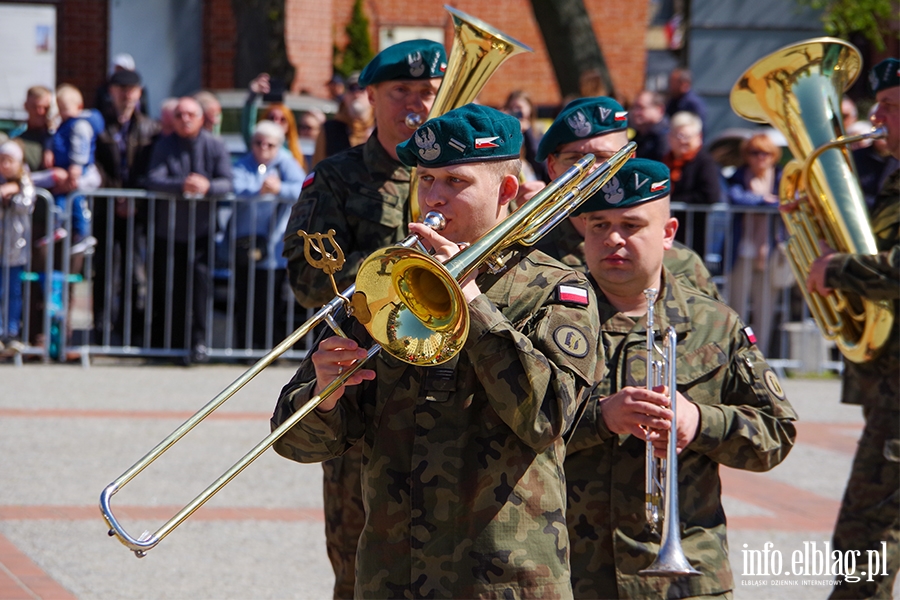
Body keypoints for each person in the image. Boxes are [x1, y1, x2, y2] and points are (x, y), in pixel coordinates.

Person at [272, 104, 601, 599]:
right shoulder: (388, 279)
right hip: (393, 578)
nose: (435, 198)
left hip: (503, 579)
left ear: (506, 191)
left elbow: (548, 417)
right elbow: (295, 443)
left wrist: (472, 302)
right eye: (426, 180)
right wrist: (323, 395)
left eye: (455, 181)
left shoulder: (556, 289)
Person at [564, 157, 797, 599]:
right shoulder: (549, 316)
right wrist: (600, 417)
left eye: (632, 225)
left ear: (668, 234)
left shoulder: (715, 323)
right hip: (572, 573)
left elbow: (777, 433)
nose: (613, 238)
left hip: (686, 578)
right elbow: (500, 429)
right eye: (599, 225)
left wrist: (700, 422)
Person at [281, 39, 447, 599]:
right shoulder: (335, 178)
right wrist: (392, 268)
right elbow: (306, 281)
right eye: (401, 91)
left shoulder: (459, 182)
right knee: (358, 562)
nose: (416, 105)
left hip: (447, 390)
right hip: (363, 389)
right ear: (371, 96)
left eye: (428, 93)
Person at [806, 58, 900, 599]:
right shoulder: (892, 179)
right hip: (885, 387)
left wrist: (840, 269)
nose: (875, 114)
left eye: (889, 104)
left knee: (863, 546)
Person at [533, 96, 721, 300]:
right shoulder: (528, 254)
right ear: (551, 167)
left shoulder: (682, 265)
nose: (589, 171)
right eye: (574, 160)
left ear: (628, 160)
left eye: (604, 158)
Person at [145, 96, 232, 364]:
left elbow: (227, 182)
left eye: (190, 115)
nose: (185, 120)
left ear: (201, 118)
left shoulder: (215, 145)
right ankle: (171, 346)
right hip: (169, 232)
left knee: (199, 290)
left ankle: (198, 343)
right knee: (171, 288)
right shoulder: (164, 145)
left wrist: (207, 187)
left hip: (202, 231)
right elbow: (153, 179)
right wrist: (182, 185)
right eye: (180, 115)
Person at [93, 68, 160, 346]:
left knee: (135, 271)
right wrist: (115, 194)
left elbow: (152, 166)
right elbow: (94, 162)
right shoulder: (99, 125)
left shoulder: (150, 127)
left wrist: (134, 197)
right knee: (106, 269)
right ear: (111, 93)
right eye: (120, 90)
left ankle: (131, 331)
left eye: (130, 90)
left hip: (138, 211)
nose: (126, 96)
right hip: (107, 207)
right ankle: (101, 330)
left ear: (139, 93)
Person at [229, 120, 305, 349]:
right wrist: (258, 190)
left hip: (274, 246)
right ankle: (244, 347)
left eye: (270, 145)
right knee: (245, 297)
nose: (263, 148)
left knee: (271, 300)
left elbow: (304, 187)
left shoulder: (286, 163)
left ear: (279, 146)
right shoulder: (243, 164)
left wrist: (280, 189)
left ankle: (268, 348)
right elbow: (234, 186)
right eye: (258, 143)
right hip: (246, 242)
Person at [726, 133, 783, 356]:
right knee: (736, 305)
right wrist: (763, 201)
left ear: (774, 156)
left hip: (770, 250)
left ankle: (762, 355)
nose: (760, 158)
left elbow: (789, 201)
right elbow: (735, 197)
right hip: (742, 249)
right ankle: (737, 354)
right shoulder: (739, 176)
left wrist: (771, 203)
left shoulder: (780, 177)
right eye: (754, 152)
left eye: (765, 153)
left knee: (765, 308)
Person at [50, 84, 104, 245]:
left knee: (77, 199)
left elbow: (80, 146)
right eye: (59, 108)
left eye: (64, 108)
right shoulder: (63, 124)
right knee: (61, 197)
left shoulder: (79, 125)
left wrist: (76, 166)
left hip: (78, 170)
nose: (61, 112)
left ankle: (83, 233)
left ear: (79, 107)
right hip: (65, 169)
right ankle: (58, 225)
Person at [663, 111, 721, 258]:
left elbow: (710, 195)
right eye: (678, 136)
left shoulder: (704, 162)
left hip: (693, 232)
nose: (682, 141)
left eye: (687, 137)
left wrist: (672, 201)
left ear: (699, 137)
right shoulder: (664, 161)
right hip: (666, 231)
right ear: (669, 137)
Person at [0, 140, 35, 351]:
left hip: (16, 247)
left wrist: (13, 193)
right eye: (1, 160)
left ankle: (11, 332)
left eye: (9, 161)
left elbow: (27, 204)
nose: (4, 165)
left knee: (13, 291)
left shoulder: (25, 182)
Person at [240, 72, 308, 170]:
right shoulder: (260, 145)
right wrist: (252, 97)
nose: (276, 122)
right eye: (271, 118)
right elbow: (247, 127)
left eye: (282, 120)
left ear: (289, 125)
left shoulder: (294, 152)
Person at [311, 72, 373, 168]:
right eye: (352, 89)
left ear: (372, 96)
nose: (356, 94)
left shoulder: (381, 128)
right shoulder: (330, 130)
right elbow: (317, 167)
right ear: (345, 97)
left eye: (362, 88)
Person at [503, 89, 549, 182]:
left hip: (534, 179)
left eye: (519, 107)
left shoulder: (538, 132)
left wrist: (528, 132)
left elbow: (540, 161)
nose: (515, 111)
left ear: (530, 108)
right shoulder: (507, 132)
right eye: (511, 108)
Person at [630, 90, 670, 162]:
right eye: (634, 107)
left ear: (660, 109)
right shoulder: (638, 136)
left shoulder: (668, 138)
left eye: (641, 107)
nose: (635, 112)